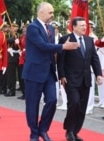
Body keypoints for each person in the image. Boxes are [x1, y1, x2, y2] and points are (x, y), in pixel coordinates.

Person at [22, 2, 80, 141]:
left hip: (48, 71)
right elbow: (42, 46)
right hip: (34, 72)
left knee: (52, 100)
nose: (52, 15)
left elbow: (50, 48)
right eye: (50, 12)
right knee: (33, 104)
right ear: (41, 12)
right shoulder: (32, 28)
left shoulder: (50, 28)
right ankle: (34, 134)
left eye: (53, 12)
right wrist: (63, 47)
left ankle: (43, 129)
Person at [57, 17, 103, 141]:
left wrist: (98, 73)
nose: (84, 27)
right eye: (81, 25)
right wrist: (61, 75)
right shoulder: (65, 39)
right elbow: (60, 61)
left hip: (85, 79)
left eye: (85, 25)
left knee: (82, 107)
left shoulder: (89, 40)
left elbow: (94, 58)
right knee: (74, 103)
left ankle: (75, 131)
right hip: (70, 79)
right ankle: (69, 130)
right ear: (74, 27)